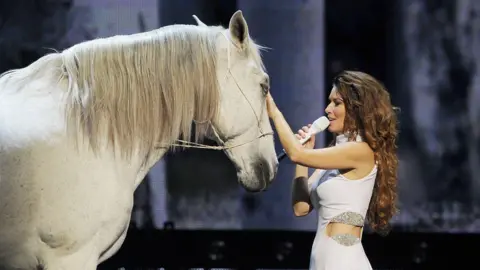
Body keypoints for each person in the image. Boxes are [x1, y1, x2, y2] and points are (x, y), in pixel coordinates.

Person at [266, 70, 399, 269]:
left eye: (337, 103)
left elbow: (295, 154)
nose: (327, 109)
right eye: (329, 102)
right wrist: (304, 156)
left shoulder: (361, 151)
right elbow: (300, 208)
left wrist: (274, 112)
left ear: (357, 108)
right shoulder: (334, 154)